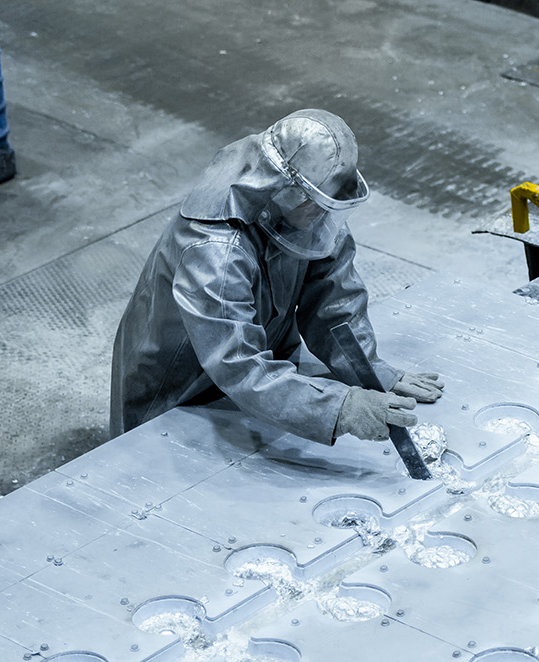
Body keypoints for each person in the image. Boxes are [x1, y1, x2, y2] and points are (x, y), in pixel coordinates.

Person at [109, 109, 443, 444]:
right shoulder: (215, 252)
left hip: (262, 378)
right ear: (284, 191)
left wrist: (370, 372)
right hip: (179, 391)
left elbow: (334, 304)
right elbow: (239, 364)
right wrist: (340, 407)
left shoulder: (308, 215)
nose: (325, 216)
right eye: (318, 204)